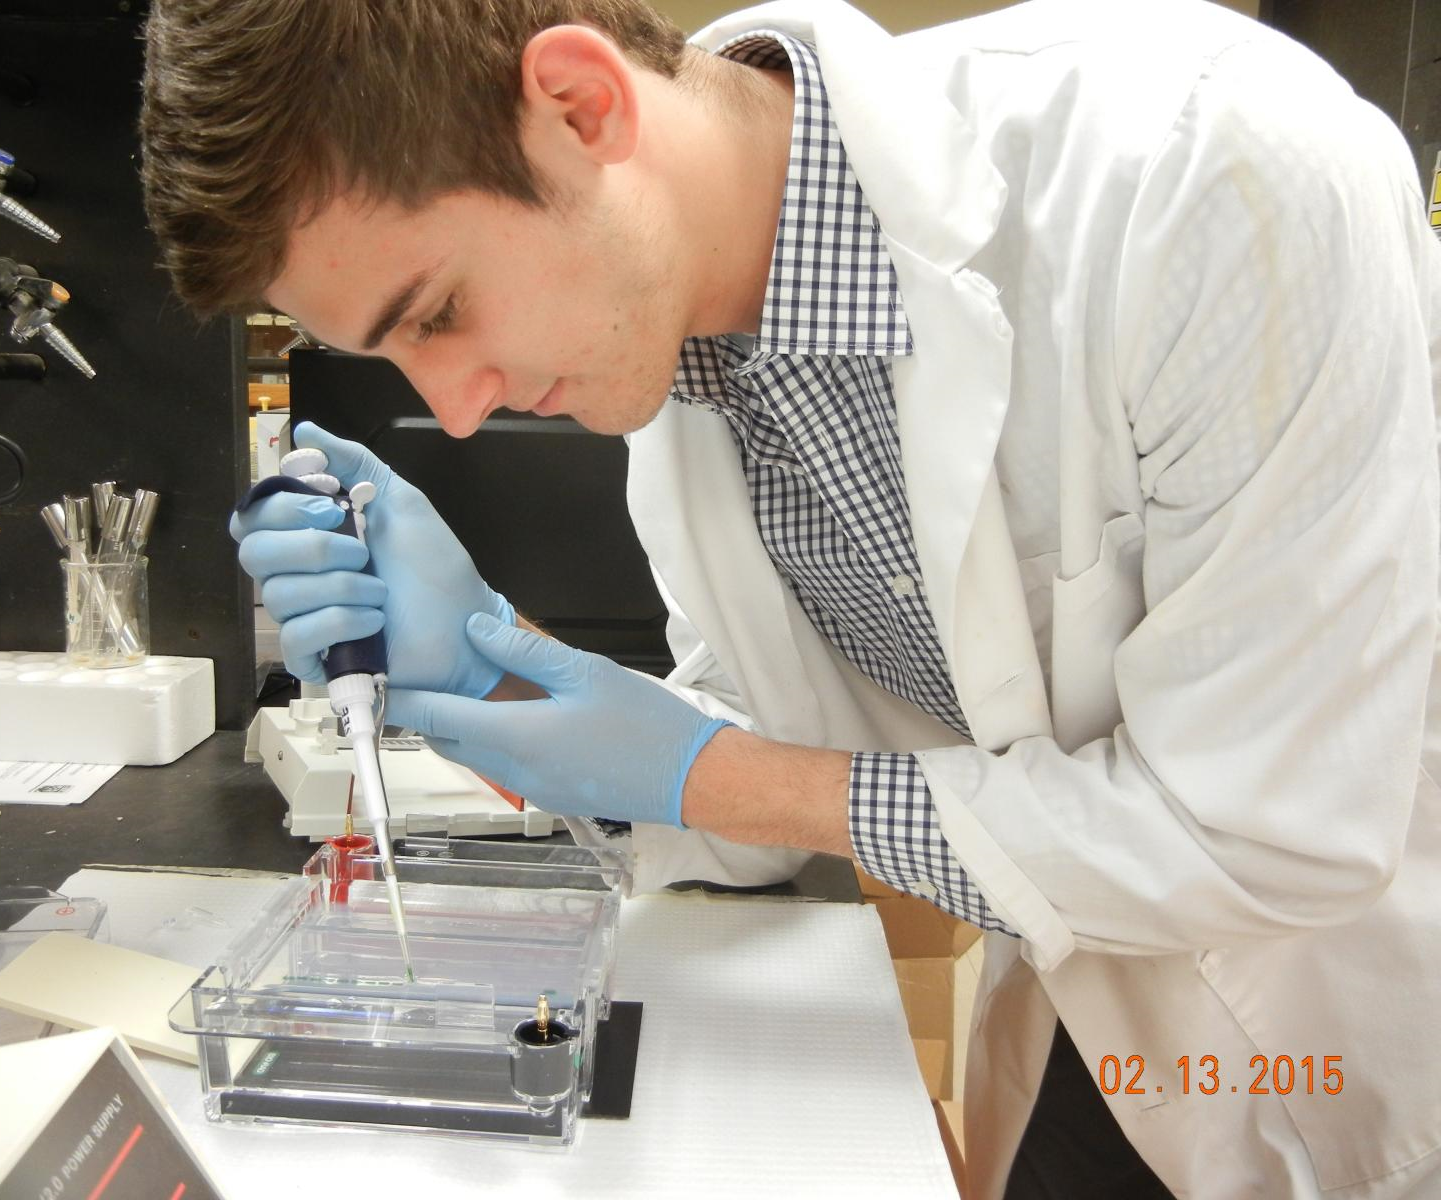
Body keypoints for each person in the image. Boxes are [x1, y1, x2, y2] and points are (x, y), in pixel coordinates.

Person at [139, 0, 1441, 1194]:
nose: (460, 411)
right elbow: (754, 809)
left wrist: (703, 771)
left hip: (1346, 1017)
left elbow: (1273, 827)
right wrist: (494, 670)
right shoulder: (686, 369)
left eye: (440, 311)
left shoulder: (1208, 171)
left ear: (584, 107)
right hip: (1100, 1019)